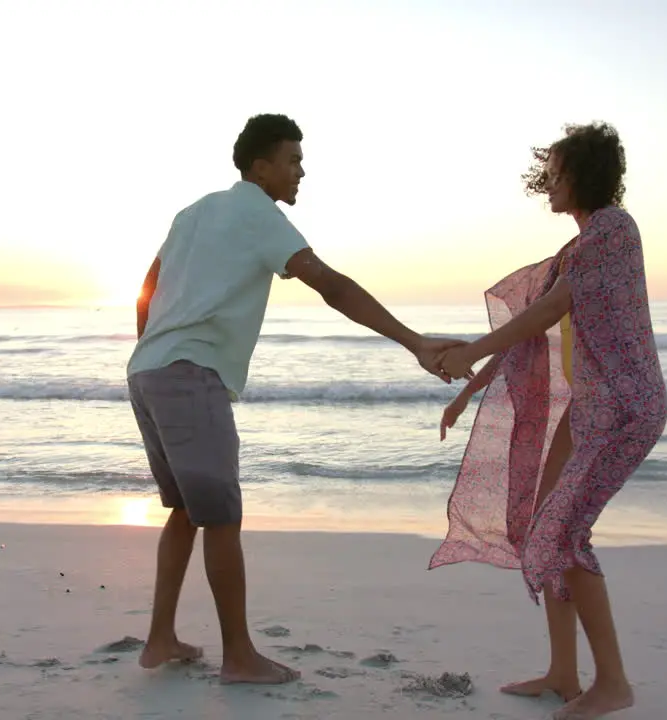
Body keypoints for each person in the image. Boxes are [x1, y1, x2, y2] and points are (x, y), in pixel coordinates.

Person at [126, 113, 466, 685]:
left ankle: (160, 639)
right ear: (260, 166)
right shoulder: (260, 213)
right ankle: (238, 657)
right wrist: (413, 340)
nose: (300, 171)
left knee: (186, 511)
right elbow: (331, 285)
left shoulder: (193, 212)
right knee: (222, 516)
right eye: (292, 161)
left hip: (149, 372)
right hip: (188, 374)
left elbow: (148, 288)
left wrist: (153, 349)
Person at [429, 122, 667, 720]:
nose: (549, 184)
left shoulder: (611, 233)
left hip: (623, 408)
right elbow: (531, 341)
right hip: (591, 407)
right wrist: (470, 388)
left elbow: (544, 312)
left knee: (565, 535)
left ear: (584, 174)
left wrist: (469, 351)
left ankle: (612, 684)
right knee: (544, 526)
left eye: (557, 173)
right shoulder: (577, 247)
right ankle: (565, 672)